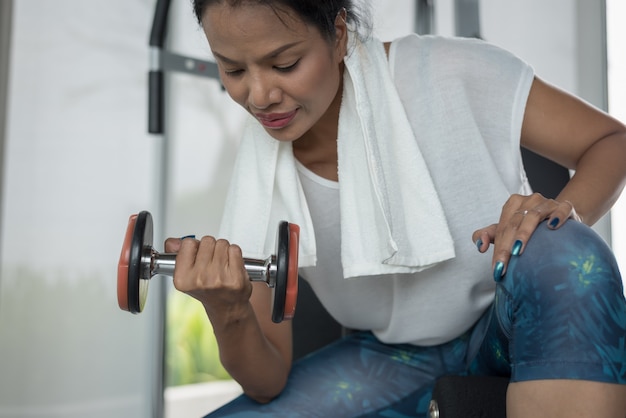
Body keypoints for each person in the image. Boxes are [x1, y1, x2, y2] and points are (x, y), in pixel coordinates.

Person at [165, 1, 626, 417]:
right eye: (234, 71)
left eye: (284, 64)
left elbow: (612, 140)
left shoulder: (451, 70)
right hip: (397, 357)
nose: (260, 95)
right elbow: (267, 384)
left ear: (339, 34)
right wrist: (228, 311)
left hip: (508, 317)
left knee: (559, 246)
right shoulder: (259, 181)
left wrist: (558, 210)